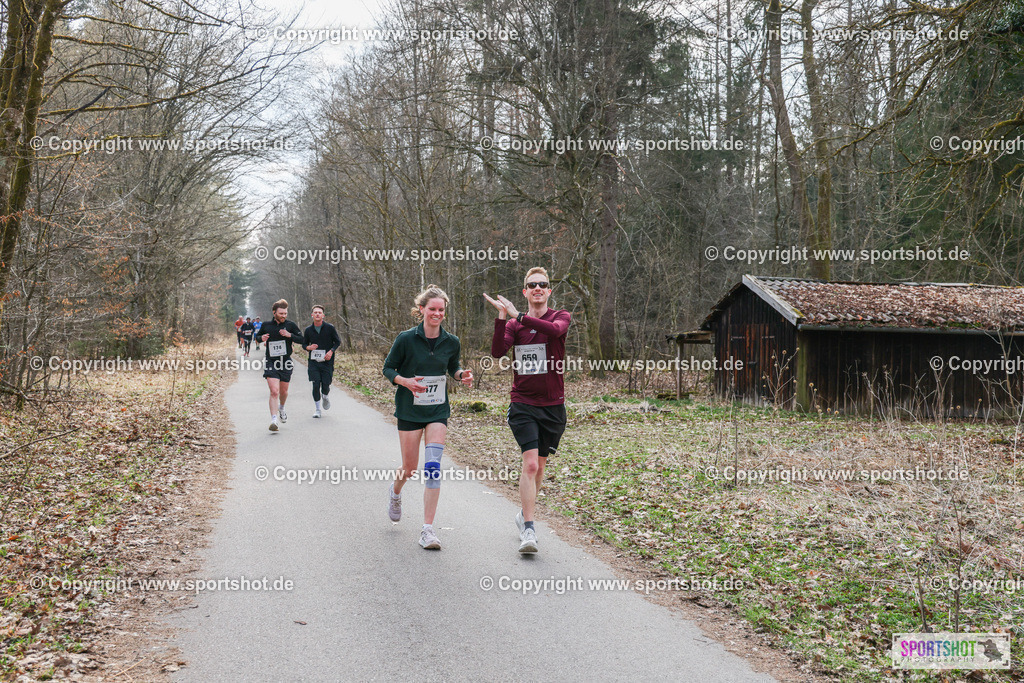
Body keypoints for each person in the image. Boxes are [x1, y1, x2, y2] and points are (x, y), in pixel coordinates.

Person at [484, 266, 571, 554]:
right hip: (523, 403)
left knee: (540, 468)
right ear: (525, 291)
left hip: (553, 405)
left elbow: (554, 331)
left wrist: (518, 314)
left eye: (542, 284)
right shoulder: (513, 325)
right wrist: (502, 316)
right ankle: (530, 529)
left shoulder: (561, 316)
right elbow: (497, 352)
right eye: (532, 284)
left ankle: (524, 512)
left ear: (548, 291)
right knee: (530, 464)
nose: (537, 288)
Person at [382, 285, 473, 550]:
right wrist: (405, 382)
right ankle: (395, 491)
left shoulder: (451, 341)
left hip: (437, 411)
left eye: (441, 310)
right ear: (421, 309)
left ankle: (427, 530)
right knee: (409, 467)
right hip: (410, 410)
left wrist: (460, 375)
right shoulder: (406, 339)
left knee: (433, 467)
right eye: (432, 309)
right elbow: (388, 368)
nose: (437, 314)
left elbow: (452, 367)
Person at [260, 300, 304, 432]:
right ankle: (274, 420)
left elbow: (302, 339)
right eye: (281, 313)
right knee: (274, 391)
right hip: (271, 361)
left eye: (285, 313)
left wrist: (289, 335)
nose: (284, 315)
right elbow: (257, 336)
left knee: (283, 392)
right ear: (274, 313)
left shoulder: (290, 325)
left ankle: (282, 408)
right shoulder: (266, 325)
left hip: (285, 362)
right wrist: (260, 338)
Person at [302, 305, 341, 418]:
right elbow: (304, 344)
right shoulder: (308, 330)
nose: (318, 314)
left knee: (325, 384)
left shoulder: (330, 328)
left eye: (320, 312)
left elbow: (337, 342)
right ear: (312, 315)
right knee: (315, 385)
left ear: (323, 315)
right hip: (314, 362)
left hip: (327, 362)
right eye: (315, 312)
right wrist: (309, 348)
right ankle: (318, 409)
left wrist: (331, 351)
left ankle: (325, 396)